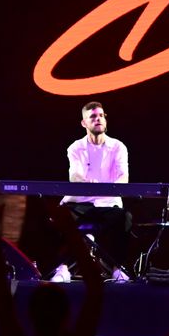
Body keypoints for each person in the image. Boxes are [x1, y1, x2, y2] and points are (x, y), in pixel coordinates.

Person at [52, 101, 133, 283]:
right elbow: (75, 175)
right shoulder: (75, 148)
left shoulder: (118, 147)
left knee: (124, 218)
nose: (98, 119)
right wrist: (90, 184)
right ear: (84, 123)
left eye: (101, 116)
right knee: (60, 215)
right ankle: (63, 268)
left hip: (107, 204)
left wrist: (103, 189)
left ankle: (118, 268)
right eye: (93, 117)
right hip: (80, 202)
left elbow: (123, 178)